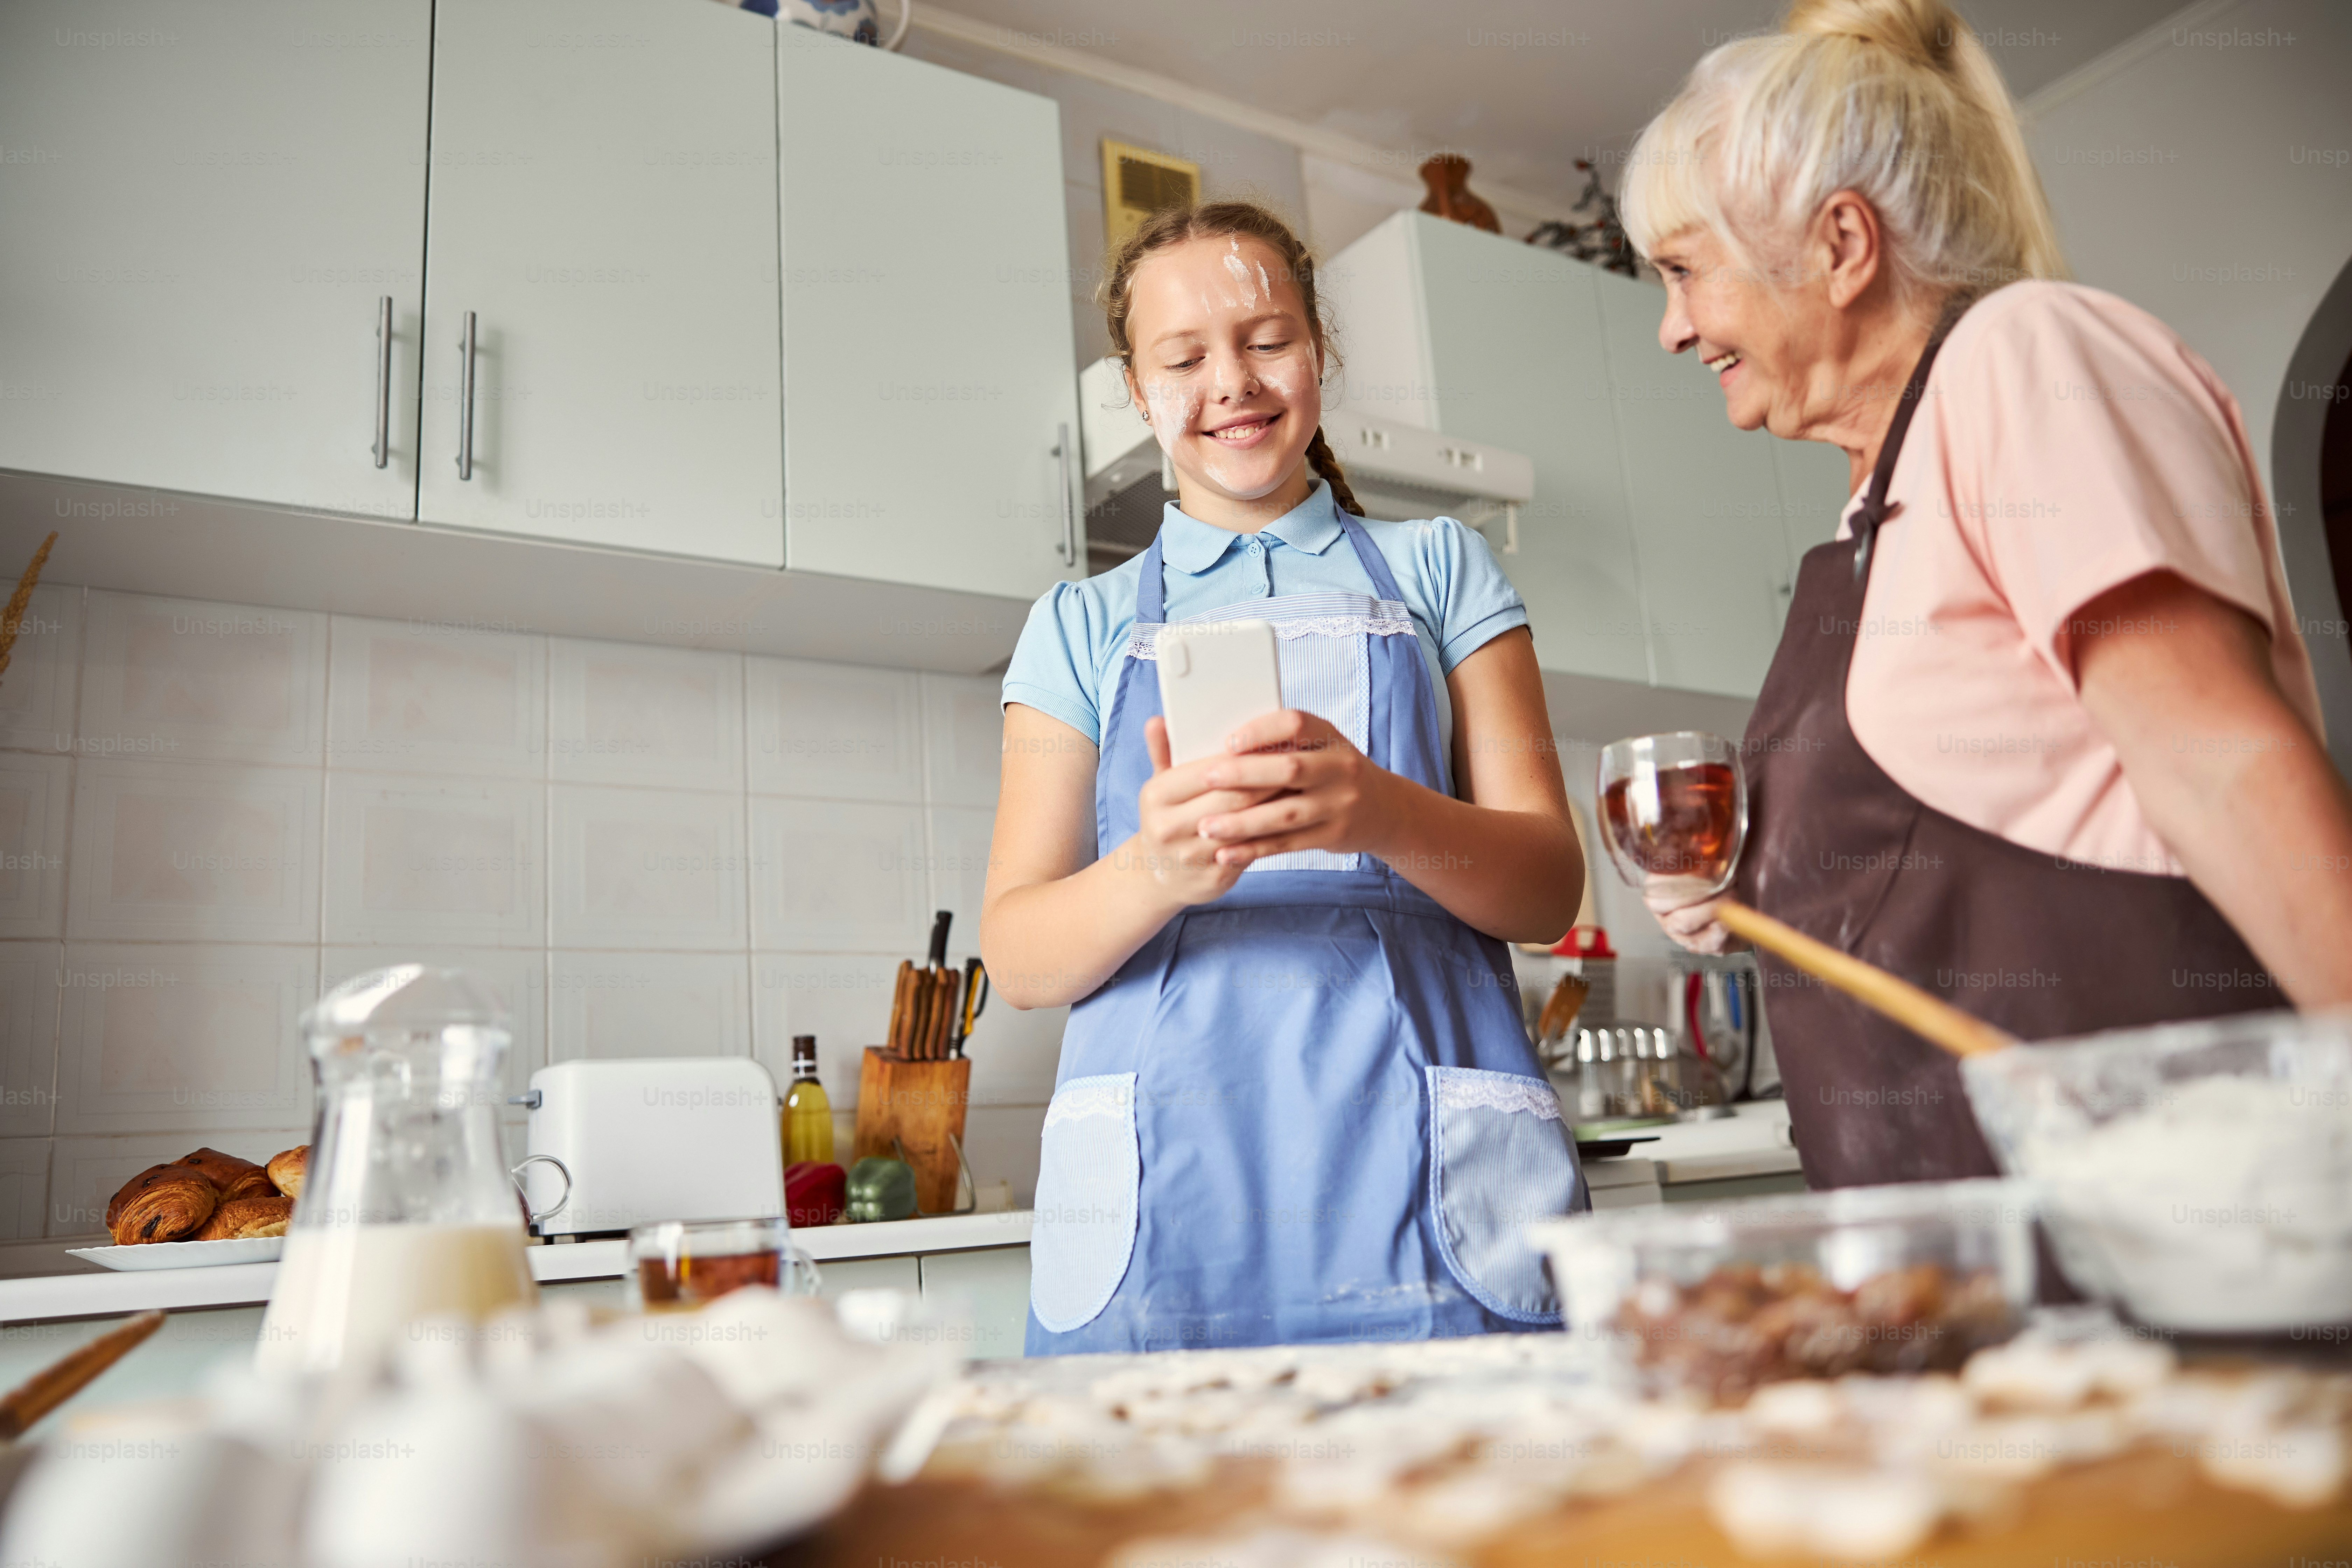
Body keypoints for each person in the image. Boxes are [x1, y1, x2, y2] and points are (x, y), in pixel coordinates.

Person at [1618, 0, 2352, 1188]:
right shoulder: (1875, 505)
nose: (1671, 329)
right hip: (1956, 1249)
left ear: (1843, 246)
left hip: (2147, 1213)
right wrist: (1752, 893)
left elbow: (2223, 761)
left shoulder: (2025, 356)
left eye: (1684, 272)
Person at [982, 202, 1587, 1354]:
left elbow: (1550, 890)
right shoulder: (1077, 625)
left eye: (1267, 340)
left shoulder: (1441, 568)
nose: (1233, 383)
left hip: (1423, 1182)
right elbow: (1017, 955)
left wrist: (1381, 809)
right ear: (1137, 386)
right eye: (1184, 357)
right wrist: (1155, 872)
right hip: (1168, 1195)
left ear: (1320, 352)